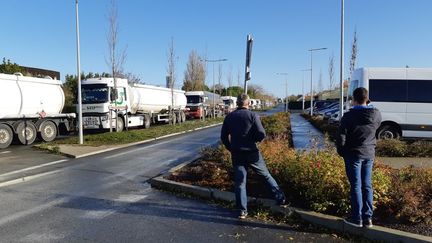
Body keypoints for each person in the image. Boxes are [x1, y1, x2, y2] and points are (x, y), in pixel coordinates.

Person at [220, 94, 286, 219]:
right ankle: (280, 198)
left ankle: (242, 211)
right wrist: (254, 141)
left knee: (240, 182)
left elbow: (223, 137)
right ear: (248, 103)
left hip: (237, 154)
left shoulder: (229, 117)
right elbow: (261, 133)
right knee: (265, 175)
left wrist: (231, 148)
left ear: (237, 103)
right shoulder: (253, 115)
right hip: (252, 153)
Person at [336, 87, 382, 228]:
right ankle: (368, 218)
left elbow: (341, 137)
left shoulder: (348, 117)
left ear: (354, 100)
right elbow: (376, 129)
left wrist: (342, 152)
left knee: (356, 186)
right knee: (367, 185)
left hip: (353, 154)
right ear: (367, 99)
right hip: (369, 153)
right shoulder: (376, 114)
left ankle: (357, 218)